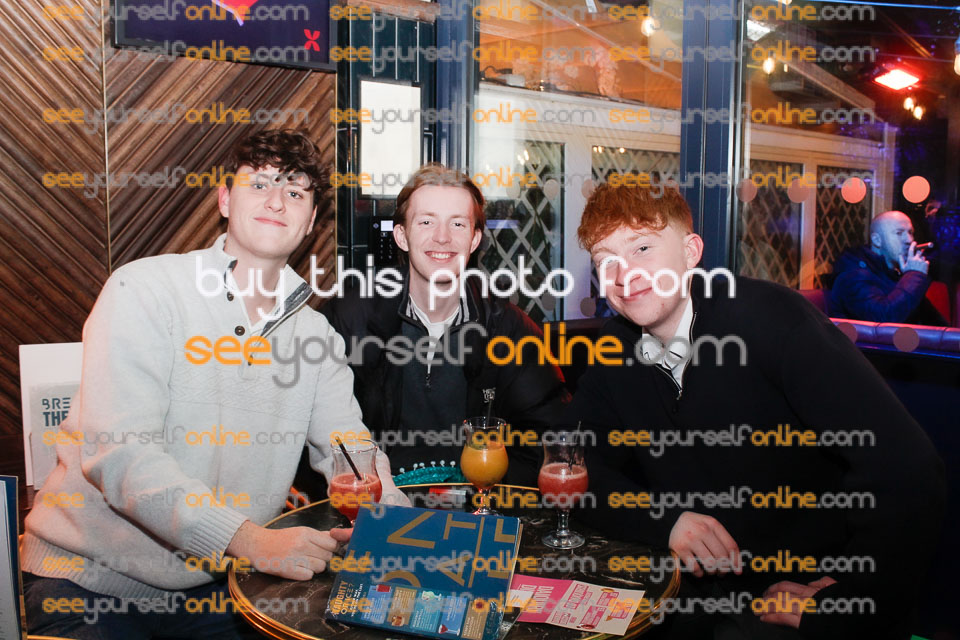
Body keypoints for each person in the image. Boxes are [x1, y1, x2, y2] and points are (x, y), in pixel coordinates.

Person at [21, 129, 406, 639]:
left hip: (221, 589)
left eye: (295, 192)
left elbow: (349, 446)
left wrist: (394, 522)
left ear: (311, 221)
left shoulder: (317, 335)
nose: (277, 201)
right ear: (225, 200)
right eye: (259, 184)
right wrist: (252, 541)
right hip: (88, 583)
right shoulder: (144, 290)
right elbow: (121, 455)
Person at [570, 184, 944, 639]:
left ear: (690, 252)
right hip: (696, 595)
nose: (624, 273)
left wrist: (849, 600)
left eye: (642, 248)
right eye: (606, 260)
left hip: (800, 593)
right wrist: (664, 522)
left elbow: (909, 469)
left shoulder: (771, 319)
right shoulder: (616, 347)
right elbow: (571, 462)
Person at [321, 164, 569, 485]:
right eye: (426, 221)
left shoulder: (508, 329)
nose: (442, 237)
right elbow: (321, 433)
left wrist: (485, 494)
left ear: (474, 239)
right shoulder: (349, 319)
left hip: (476, 501)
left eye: (457, 223)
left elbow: (550, 440)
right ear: (401, 236)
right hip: (379, 500)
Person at [828, 210, 946, 325]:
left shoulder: (893, 273)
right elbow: (883, 319)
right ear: (877, 240)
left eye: (910, 232)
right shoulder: (853, 275)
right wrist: (914, 275)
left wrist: (909, 277)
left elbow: (937, 324)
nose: (909, 240)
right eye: (899, 233)